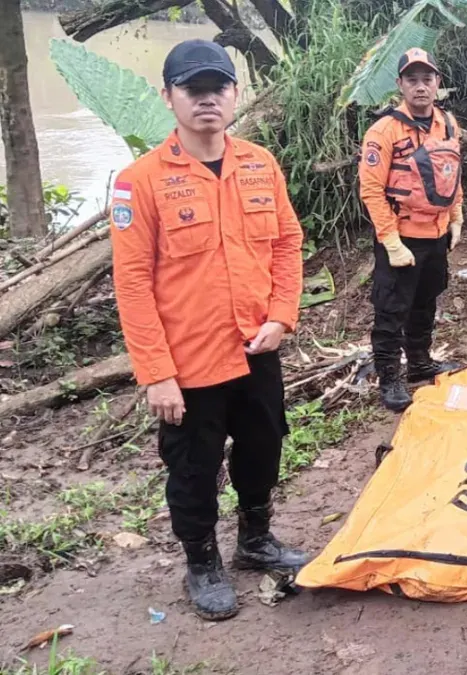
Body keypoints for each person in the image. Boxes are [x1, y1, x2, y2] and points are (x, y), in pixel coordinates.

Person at [109, 39, 309, 621]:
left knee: (263, 447)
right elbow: (132, 284)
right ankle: (201, 562)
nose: (206, 99)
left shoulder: (260, 163)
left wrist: (281, 315)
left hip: (257, 346)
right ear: (168, 96)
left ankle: (255, 539)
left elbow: (287, 242)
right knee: (193, 469)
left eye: (217, 87)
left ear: (234, 94)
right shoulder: (140, 181)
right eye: (192, 89)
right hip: (189, 362)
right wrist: (157, 374)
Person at [359, 48, 463, 412]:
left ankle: (420, 362)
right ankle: (389, 378)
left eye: (427, 79)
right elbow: (371, 189)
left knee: (426, 302)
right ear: (400, 84)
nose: (420, 87)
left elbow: (453, 172)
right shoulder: (383, 131)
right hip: (401, 236)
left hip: (436, 235)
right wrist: (390, 240)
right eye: (412, 80)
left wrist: (456, 216)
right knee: (391, 309)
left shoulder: (447, 123)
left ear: (437, 83)